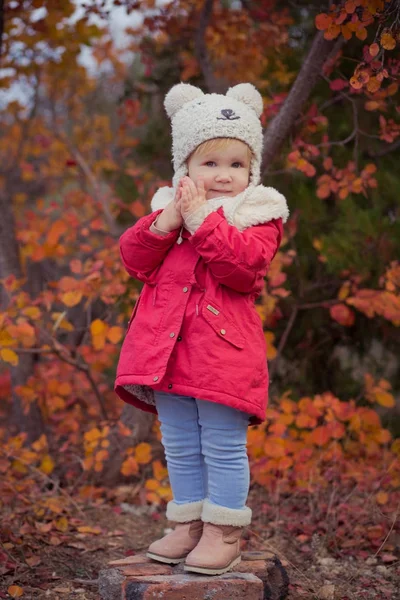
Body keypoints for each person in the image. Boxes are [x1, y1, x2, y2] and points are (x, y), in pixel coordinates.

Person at [114, 82, 289, 575]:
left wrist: (201, 219)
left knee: (221, 444)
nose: (224, 176)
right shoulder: (168, 210)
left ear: (251, 170)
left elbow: (244, 267)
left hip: (222, 353)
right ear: (185, 167)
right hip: (165, 352)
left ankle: (223, 531)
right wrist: (170, 219)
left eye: (237, 165)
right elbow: (134, 259)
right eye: (210, 163)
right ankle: (189, 523)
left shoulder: (257, 216)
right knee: (180, 443)